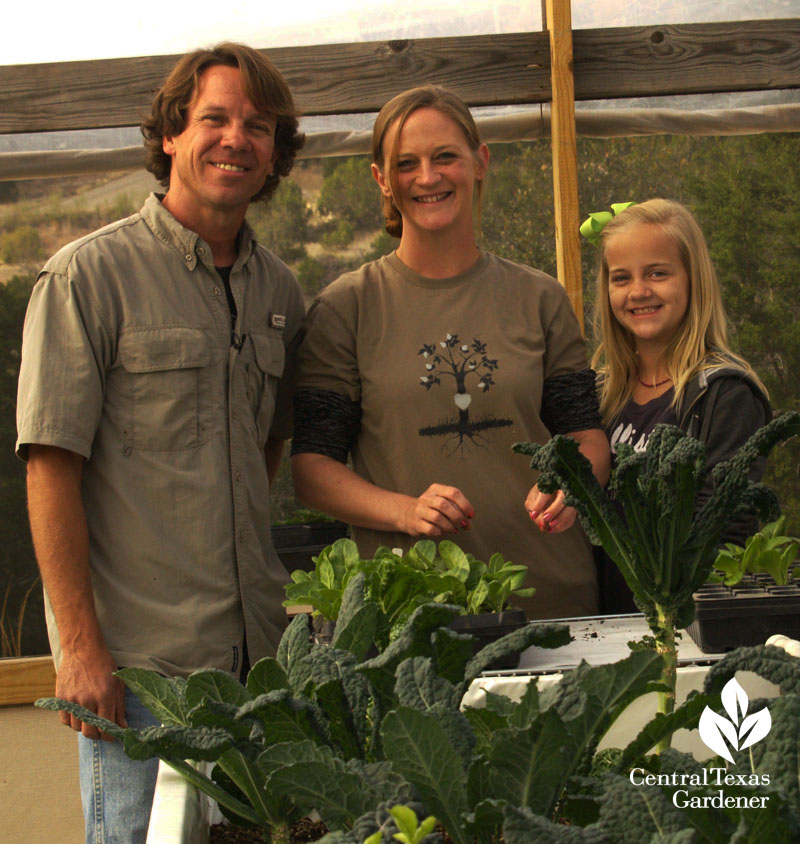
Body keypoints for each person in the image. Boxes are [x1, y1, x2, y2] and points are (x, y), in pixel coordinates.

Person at [16, 43, 305, 843]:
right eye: (213, 117)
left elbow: (263, 449)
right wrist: (77, 650)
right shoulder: (87, 278)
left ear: (276, 151)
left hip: (258, 665)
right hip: (141, 675)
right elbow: (50, 468)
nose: (235, 138)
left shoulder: (279, 291)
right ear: (172, 133)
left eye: (258, 125)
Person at [290, 85, 609, 620]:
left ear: (481, 162)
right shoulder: (347, 308)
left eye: (445, 157)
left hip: (551, 599)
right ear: (382, 180)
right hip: (408, 611)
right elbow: (312, 469)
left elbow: (585, 436)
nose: (428, 177)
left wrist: (574, 488)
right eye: (406, 163)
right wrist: (406, 511)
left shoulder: (539, 298)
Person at [591, 198, 771, 612]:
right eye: (621, 278)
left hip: (688, 625)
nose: (638, 291)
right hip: (608, 621)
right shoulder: (601, 394)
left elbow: (726, 527)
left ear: (694, 279)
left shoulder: (723, 393)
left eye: (657, 273)